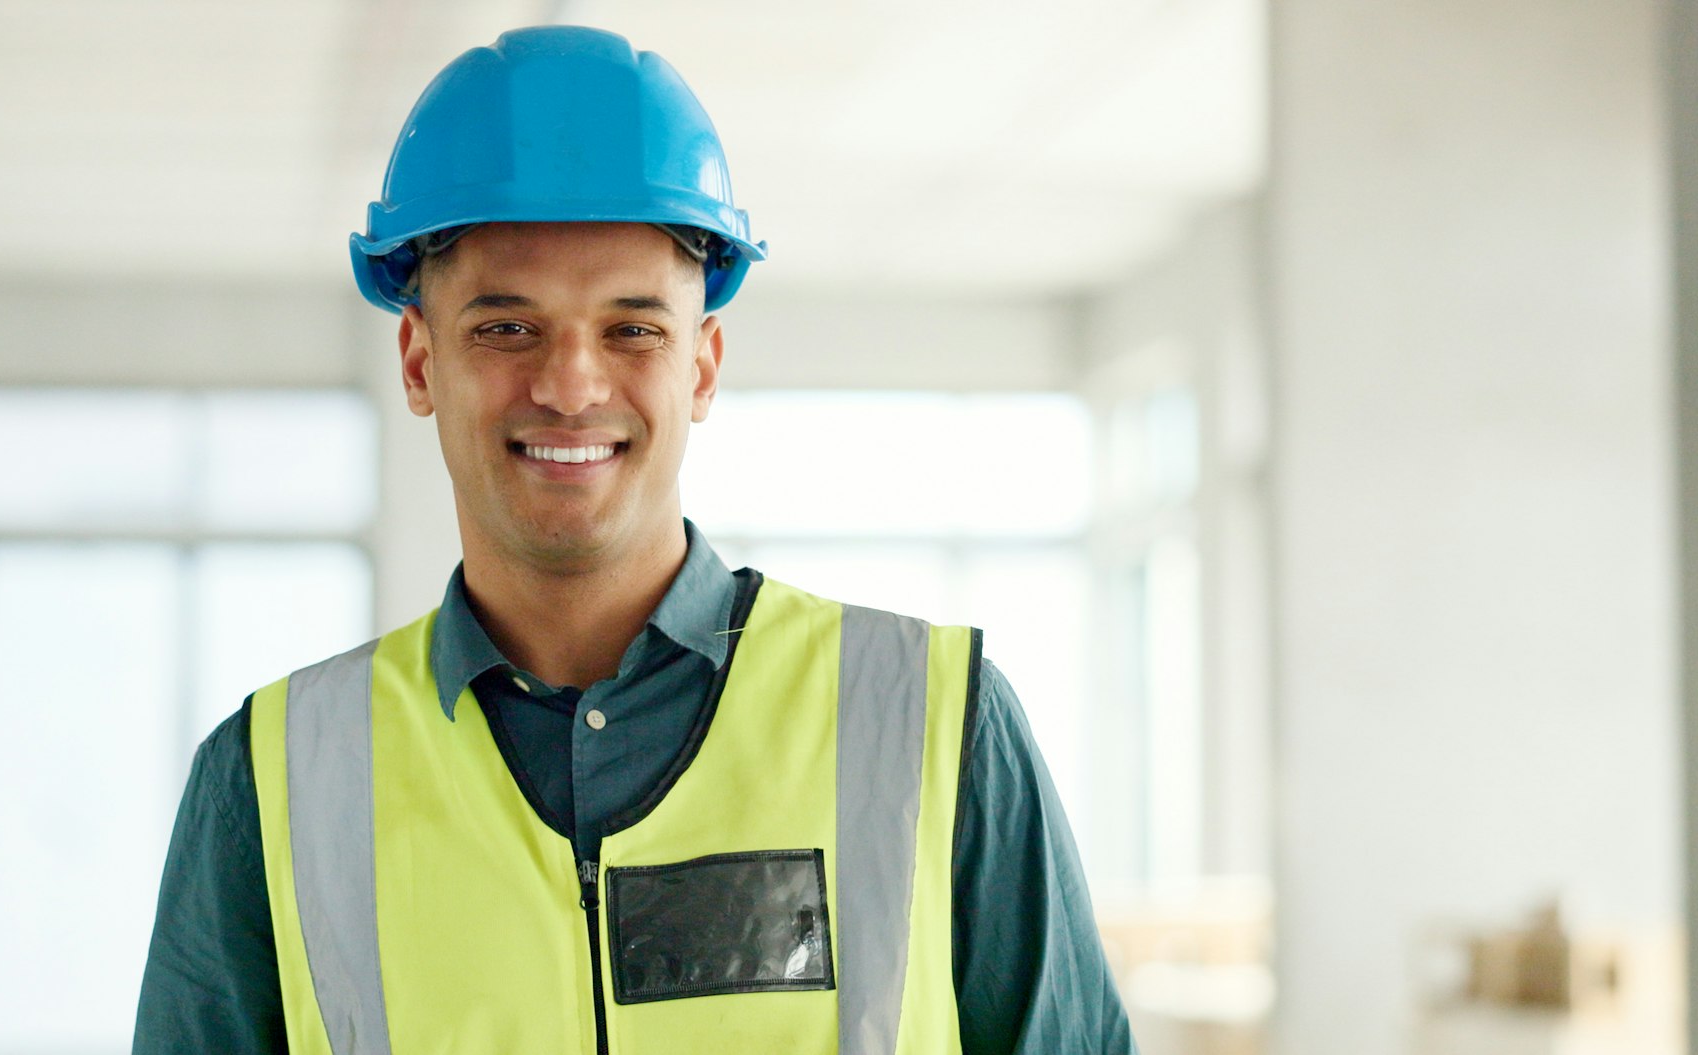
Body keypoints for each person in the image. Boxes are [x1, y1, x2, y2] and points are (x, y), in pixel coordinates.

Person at [135, 25, 1134, 1055]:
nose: (570, 385)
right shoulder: (271, 784)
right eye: (505, 326)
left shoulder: (933, 728)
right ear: (419, 358)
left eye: (632, 329)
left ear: (699, 366)